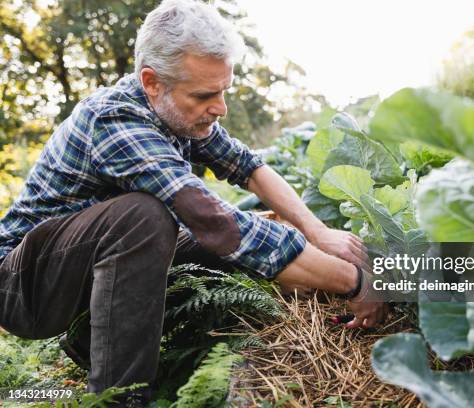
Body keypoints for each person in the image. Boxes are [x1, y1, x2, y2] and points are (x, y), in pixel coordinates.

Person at [0, 0, 386, 405]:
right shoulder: (113, 121)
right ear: (152, 82)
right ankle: (120, 398)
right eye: (205, 94)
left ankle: (90, 341)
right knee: (145, 219)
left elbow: (248, 167)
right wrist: (355, 282)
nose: (220, 108)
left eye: (224, 91)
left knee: (244, 231)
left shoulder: (177, 110)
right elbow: (213, 220)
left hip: (82, 272)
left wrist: (316, 231)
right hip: (24, 287)